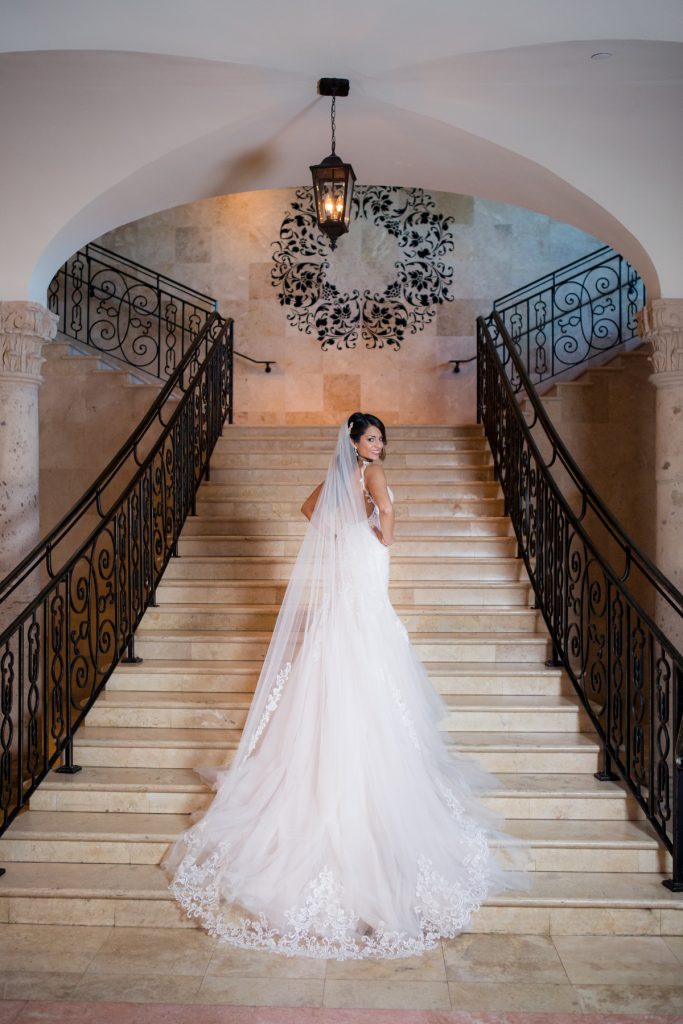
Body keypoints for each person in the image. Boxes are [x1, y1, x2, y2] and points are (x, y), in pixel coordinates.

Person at [165, 411, 526, 959]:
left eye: (380, 438)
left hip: (348, 573)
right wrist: (381, 536)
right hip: (366, 568)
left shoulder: (340, 474)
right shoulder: (369, 474)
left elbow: (310, 509)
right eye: (370, 438)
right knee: (370, 653)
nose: (377, 445)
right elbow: (388, 516)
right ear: (355, 443)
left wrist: (343, 526)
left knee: (342, 653)